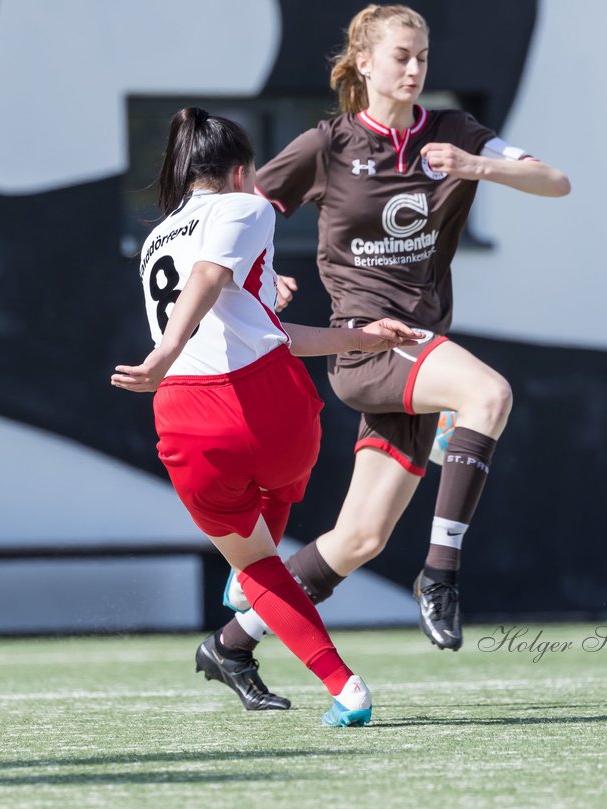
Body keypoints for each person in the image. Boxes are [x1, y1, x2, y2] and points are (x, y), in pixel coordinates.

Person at [199, 3, 571, 710]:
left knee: (359, 537)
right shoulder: (329, 144)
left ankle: (231, 642)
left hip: (417, 358)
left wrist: (476, 166)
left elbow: (557, 181)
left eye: (423, 56)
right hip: (370, 348)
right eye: (401, 55)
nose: (414, 68)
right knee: (488, 395)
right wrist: (263, 273)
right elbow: (238, 213)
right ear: (363, 63)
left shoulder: (455, 134)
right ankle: (441, 574)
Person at [112, 106, 422, 726]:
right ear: (242, 170)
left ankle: (346, 688)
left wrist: (361, 338)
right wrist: (164, 351)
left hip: (188, 414)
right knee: (281, 480)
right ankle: (253, 573)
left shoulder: (154, 239)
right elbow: (210, 277)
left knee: (257, 565)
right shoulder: (246, 206)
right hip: (267, 402)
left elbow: (254, 319)